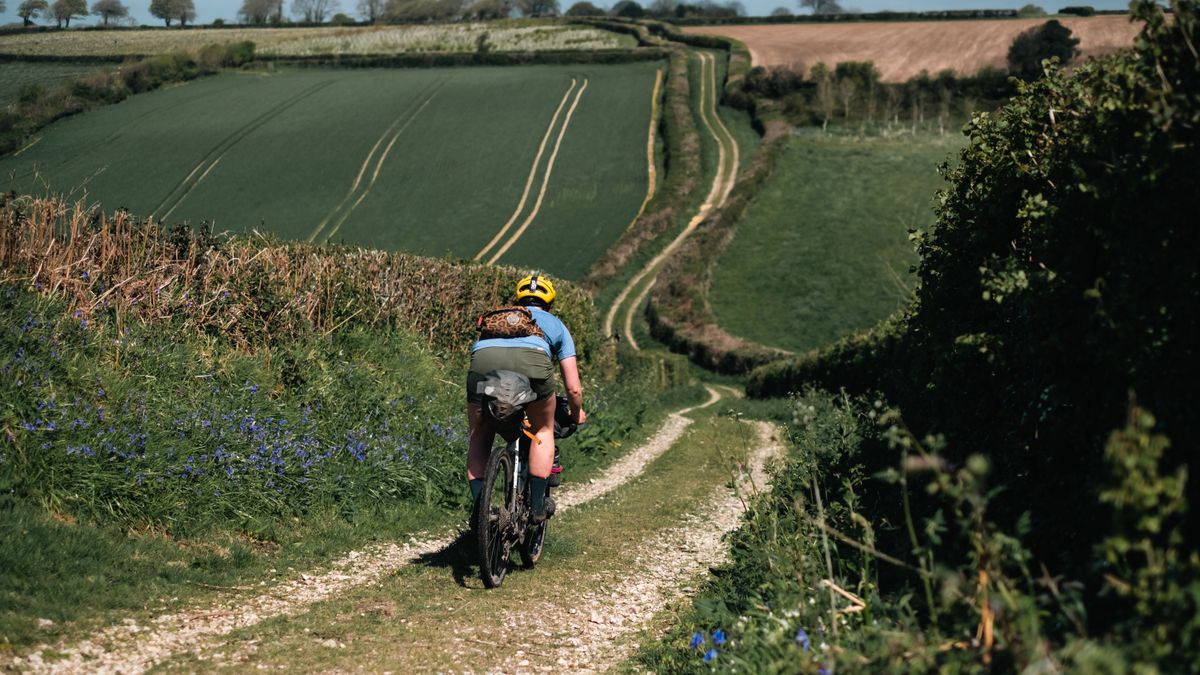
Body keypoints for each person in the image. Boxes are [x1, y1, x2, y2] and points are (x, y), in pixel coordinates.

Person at [466, 273, 586, 523]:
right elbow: (573, 388)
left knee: (480, 432)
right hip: (532, 364)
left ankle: (479, 510)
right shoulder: (556, 325)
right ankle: (537, 507)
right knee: (542, 430)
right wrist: (576, 415)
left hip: (484, 361)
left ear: (518, 301)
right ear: (549, 304)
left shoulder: (499, 320)